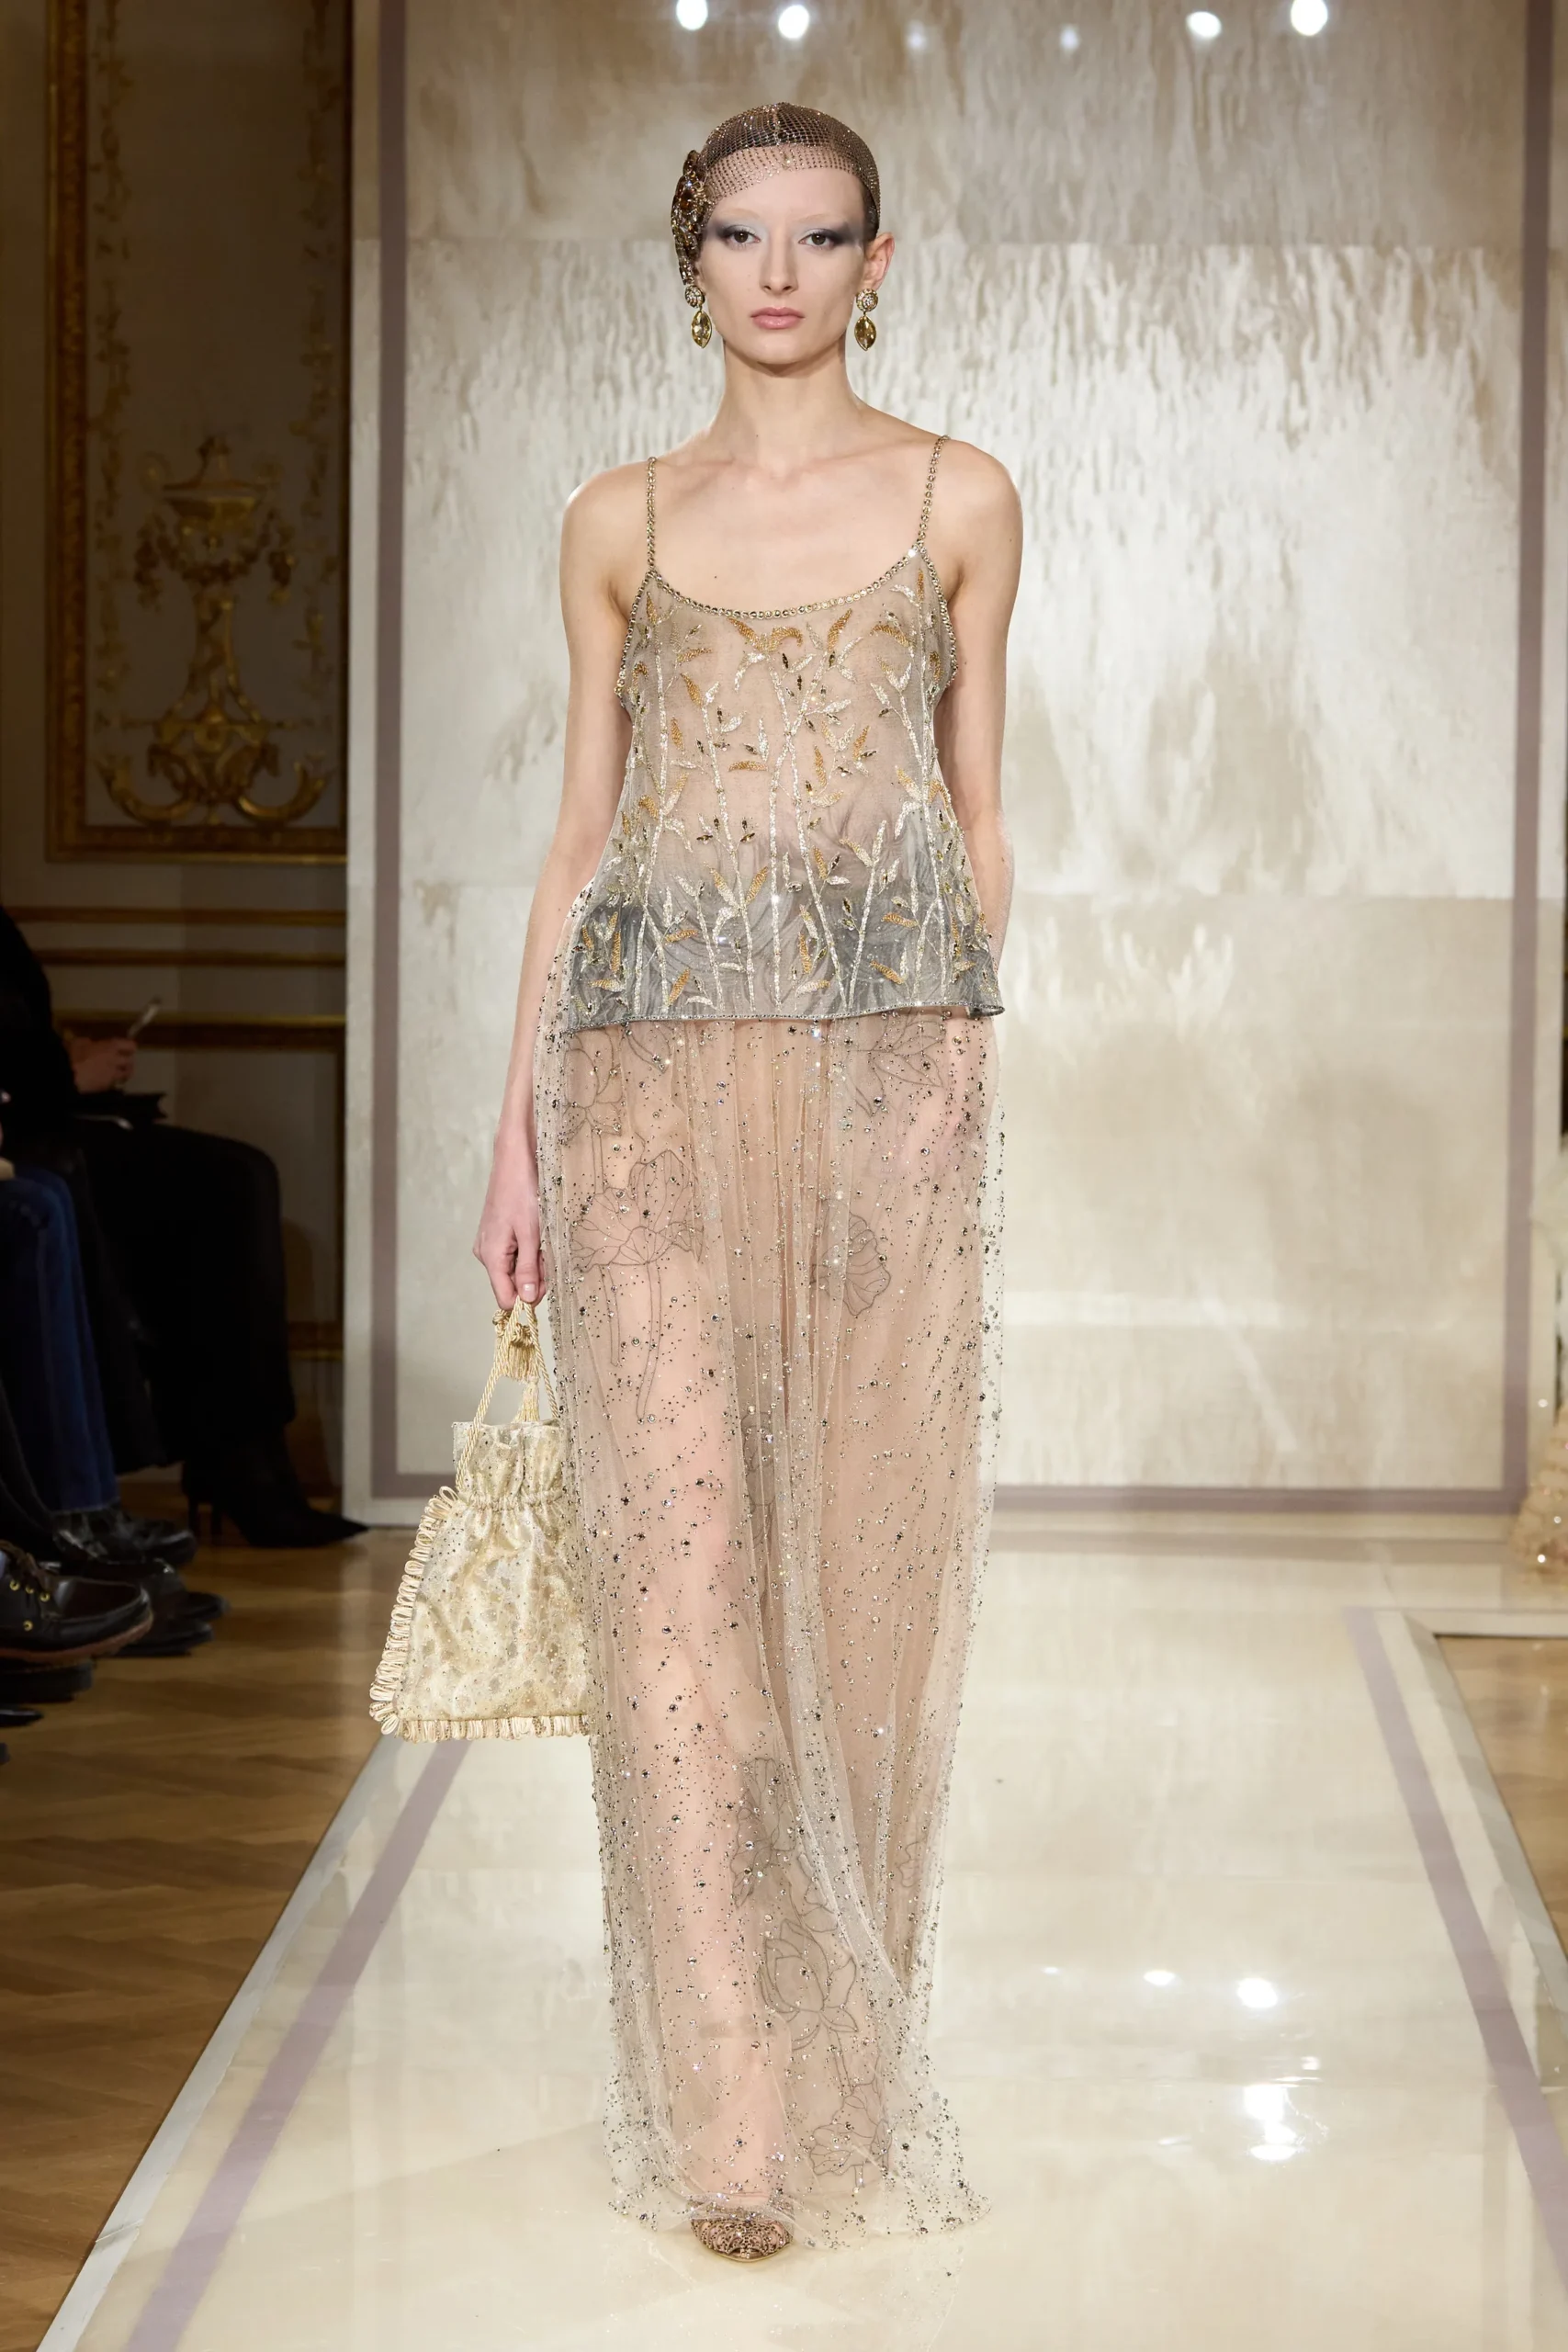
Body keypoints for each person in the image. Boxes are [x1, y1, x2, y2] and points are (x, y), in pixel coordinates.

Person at [474, 105, 1019, 2259]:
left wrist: (951, 1072)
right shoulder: (614, 519)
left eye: (817, 236)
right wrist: (510, 1131)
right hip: (636, 1085)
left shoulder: (955, 497)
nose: (774, 273)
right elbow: (577, 831)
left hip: (877, 1087)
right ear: (685, 255)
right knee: (680, 1584)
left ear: (879, 261)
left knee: (853, 1578)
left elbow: (975, 815)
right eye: (735, 234)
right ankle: (728, 2101)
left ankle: (832, 2028)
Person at [0, 907, 362, 1547]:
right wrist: (64, 1076)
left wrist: (64, 1064)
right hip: (29, 1134)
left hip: (45, 1117)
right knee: (209, 1189)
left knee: (241, 1175)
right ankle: (220, 1463)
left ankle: (247, 1453)